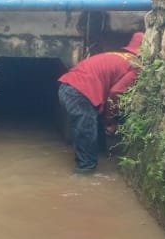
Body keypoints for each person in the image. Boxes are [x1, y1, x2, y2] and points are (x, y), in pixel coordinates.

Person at [57, 33, 144, 173]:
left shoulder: (116, 56)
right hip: (80, 93)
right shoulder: (135, 67)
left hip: (68, 88)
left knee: (90, 128)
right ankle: (85, 174)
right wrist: (110, 121)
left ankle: (100, 157)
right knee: (87, 132)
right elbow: (116, 94)